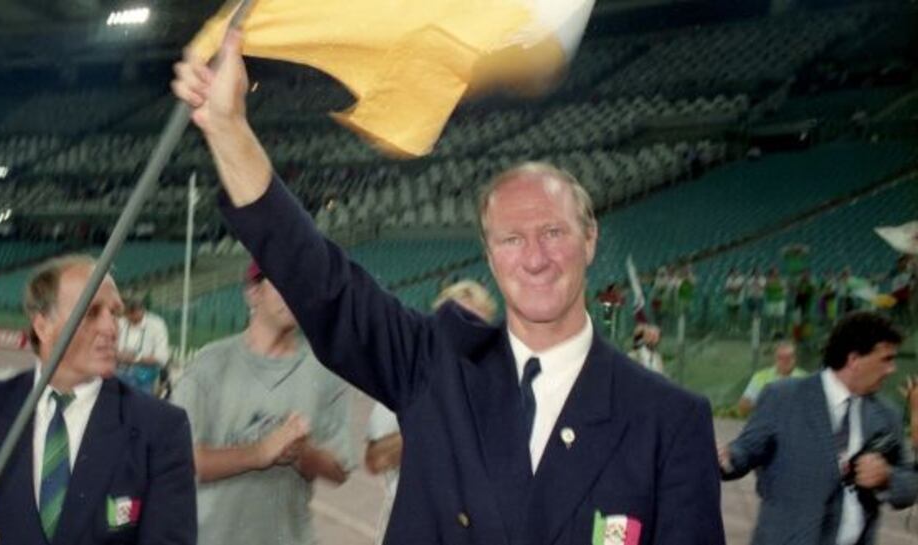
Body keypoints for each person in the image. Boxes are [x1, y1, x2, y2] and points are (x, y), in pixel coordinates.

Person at [173, 33, 724, 544]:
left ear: (589, 240)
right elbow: (318, 278)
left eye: (553, 232)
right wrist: (228, 127)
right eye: (511, 238)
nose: (534, 258)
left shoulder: (668, 420)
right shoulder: (435, 366)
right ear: (489, 255)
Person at [0, 254, 196, 545]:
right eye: (91, 312)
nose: (111, 328)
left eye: (114, 313)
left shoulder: (160, 427)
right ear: (42, 326)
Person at [171, 261, 353, 545]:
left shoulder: (326, 374)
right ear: (253, 293)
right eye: (283, 281)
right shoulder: (209, 364)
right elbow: (180, 460)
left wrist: (302, 453)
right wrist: (259, 453)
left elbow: (340, 468)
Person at [719, 311, 916, 545]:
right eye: (886, 359)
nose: (892, 369)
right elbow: (746, 451)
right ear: (854, 360)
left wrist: (887, 477)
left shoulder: (886, 413)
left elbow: (910, 485)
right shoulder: (783, 397)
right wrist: (726, 457)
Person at [366, 280, 497, 545]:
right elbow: (375, 460)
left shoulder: (497, 389)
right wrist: (430, 426)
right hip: (413, 527)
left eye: (477, 326)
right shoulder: (409, 378)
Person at [737, 340, 807, 417]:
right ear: (774, 358)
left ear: (795, 358)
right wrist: (765, 404)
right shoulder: (761, 376)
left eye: (789, 357)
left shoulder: (806, 378)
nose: (785, 361)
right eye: (781, 358)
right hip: (766, 423)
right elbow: (743, 406)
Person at [117, 295, 170, 395]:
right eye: (125, 314)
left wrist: (136, 358)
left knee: (140, 406)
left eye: (130, 313)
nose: (127, 317)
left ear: (140, 310)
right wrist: (118, 355)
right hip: (119, 374)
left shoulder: (156, 325)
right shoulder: (121, 323)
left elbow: (162, 358)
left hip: (143, 378)